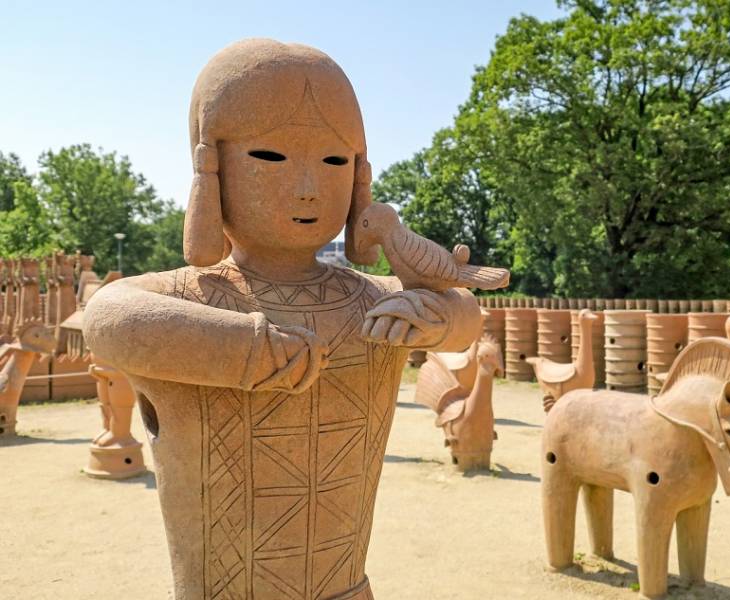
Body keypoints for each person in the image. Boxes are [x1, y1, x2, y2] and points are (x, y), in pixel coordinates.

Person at [83, 38, 481, 600]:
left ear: (359, 174)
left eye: (333, 160)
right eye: (270, 157)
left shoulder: (368, 297)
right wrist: (247, 349)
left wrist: (438, 317)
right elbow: (109, 315)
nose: (307, 187)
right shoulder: (194, 295)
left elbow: (467, 314)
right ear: (212, 168)